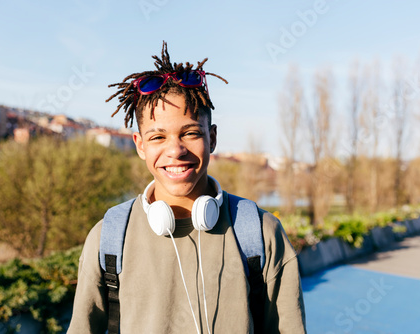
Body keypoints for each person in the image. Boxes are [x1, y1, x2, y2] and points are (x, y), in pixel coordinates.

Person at [67, 42, 306, 333]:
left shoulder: (260, 234)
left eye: (190, 133)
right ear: (140, 146)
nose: (175, 150)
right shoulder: (109, 238)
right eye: (157, 138)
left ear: (212, 138)